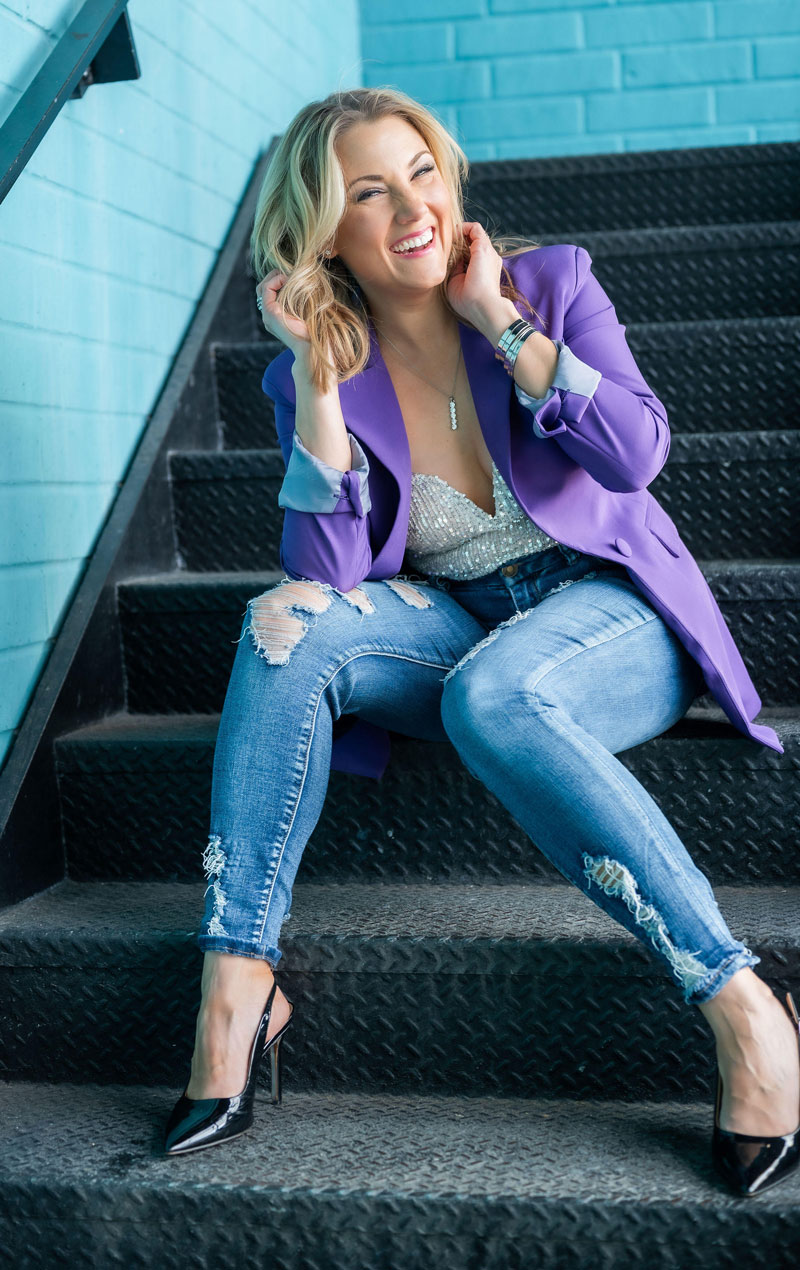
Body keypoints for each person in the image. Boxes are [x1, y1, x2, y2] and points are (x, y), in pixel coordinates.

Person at [164, 87, 799, 1196]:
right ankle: (237, 984)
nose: (409, 206)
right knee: (279, 625)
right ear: (322, 231)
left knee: (494, 698)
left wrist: (499, 322)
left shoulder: (549, 282)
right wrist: (315, 381)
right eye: (367, 191)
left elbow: (636, 452)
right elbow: (326, 574)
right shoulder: (308, 369)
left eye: (420, 171)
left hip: (608, 609)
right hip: (454, 614)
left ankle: (742, 1003)